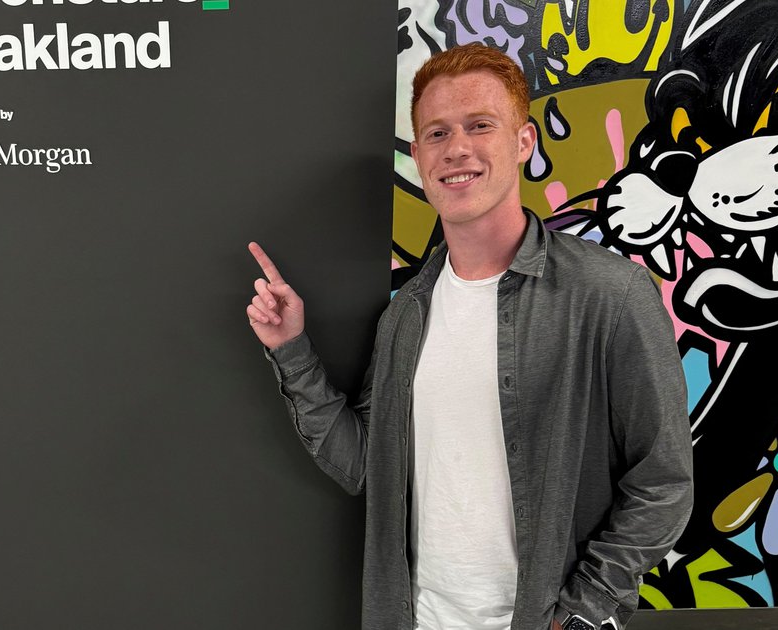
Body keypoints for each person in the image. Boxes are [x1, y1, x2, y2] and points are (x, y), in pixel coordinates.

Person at [245, 43, 692, 630]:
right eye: (436, 133)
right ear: (418, 155)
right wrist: (292, 350)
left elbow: (663, 483)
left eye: (480, 126)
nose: (456, 149)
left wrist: (586, 612)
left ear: (524, 142)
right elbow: (366, 469)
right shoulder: (406, 314)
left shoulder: (610, 295)